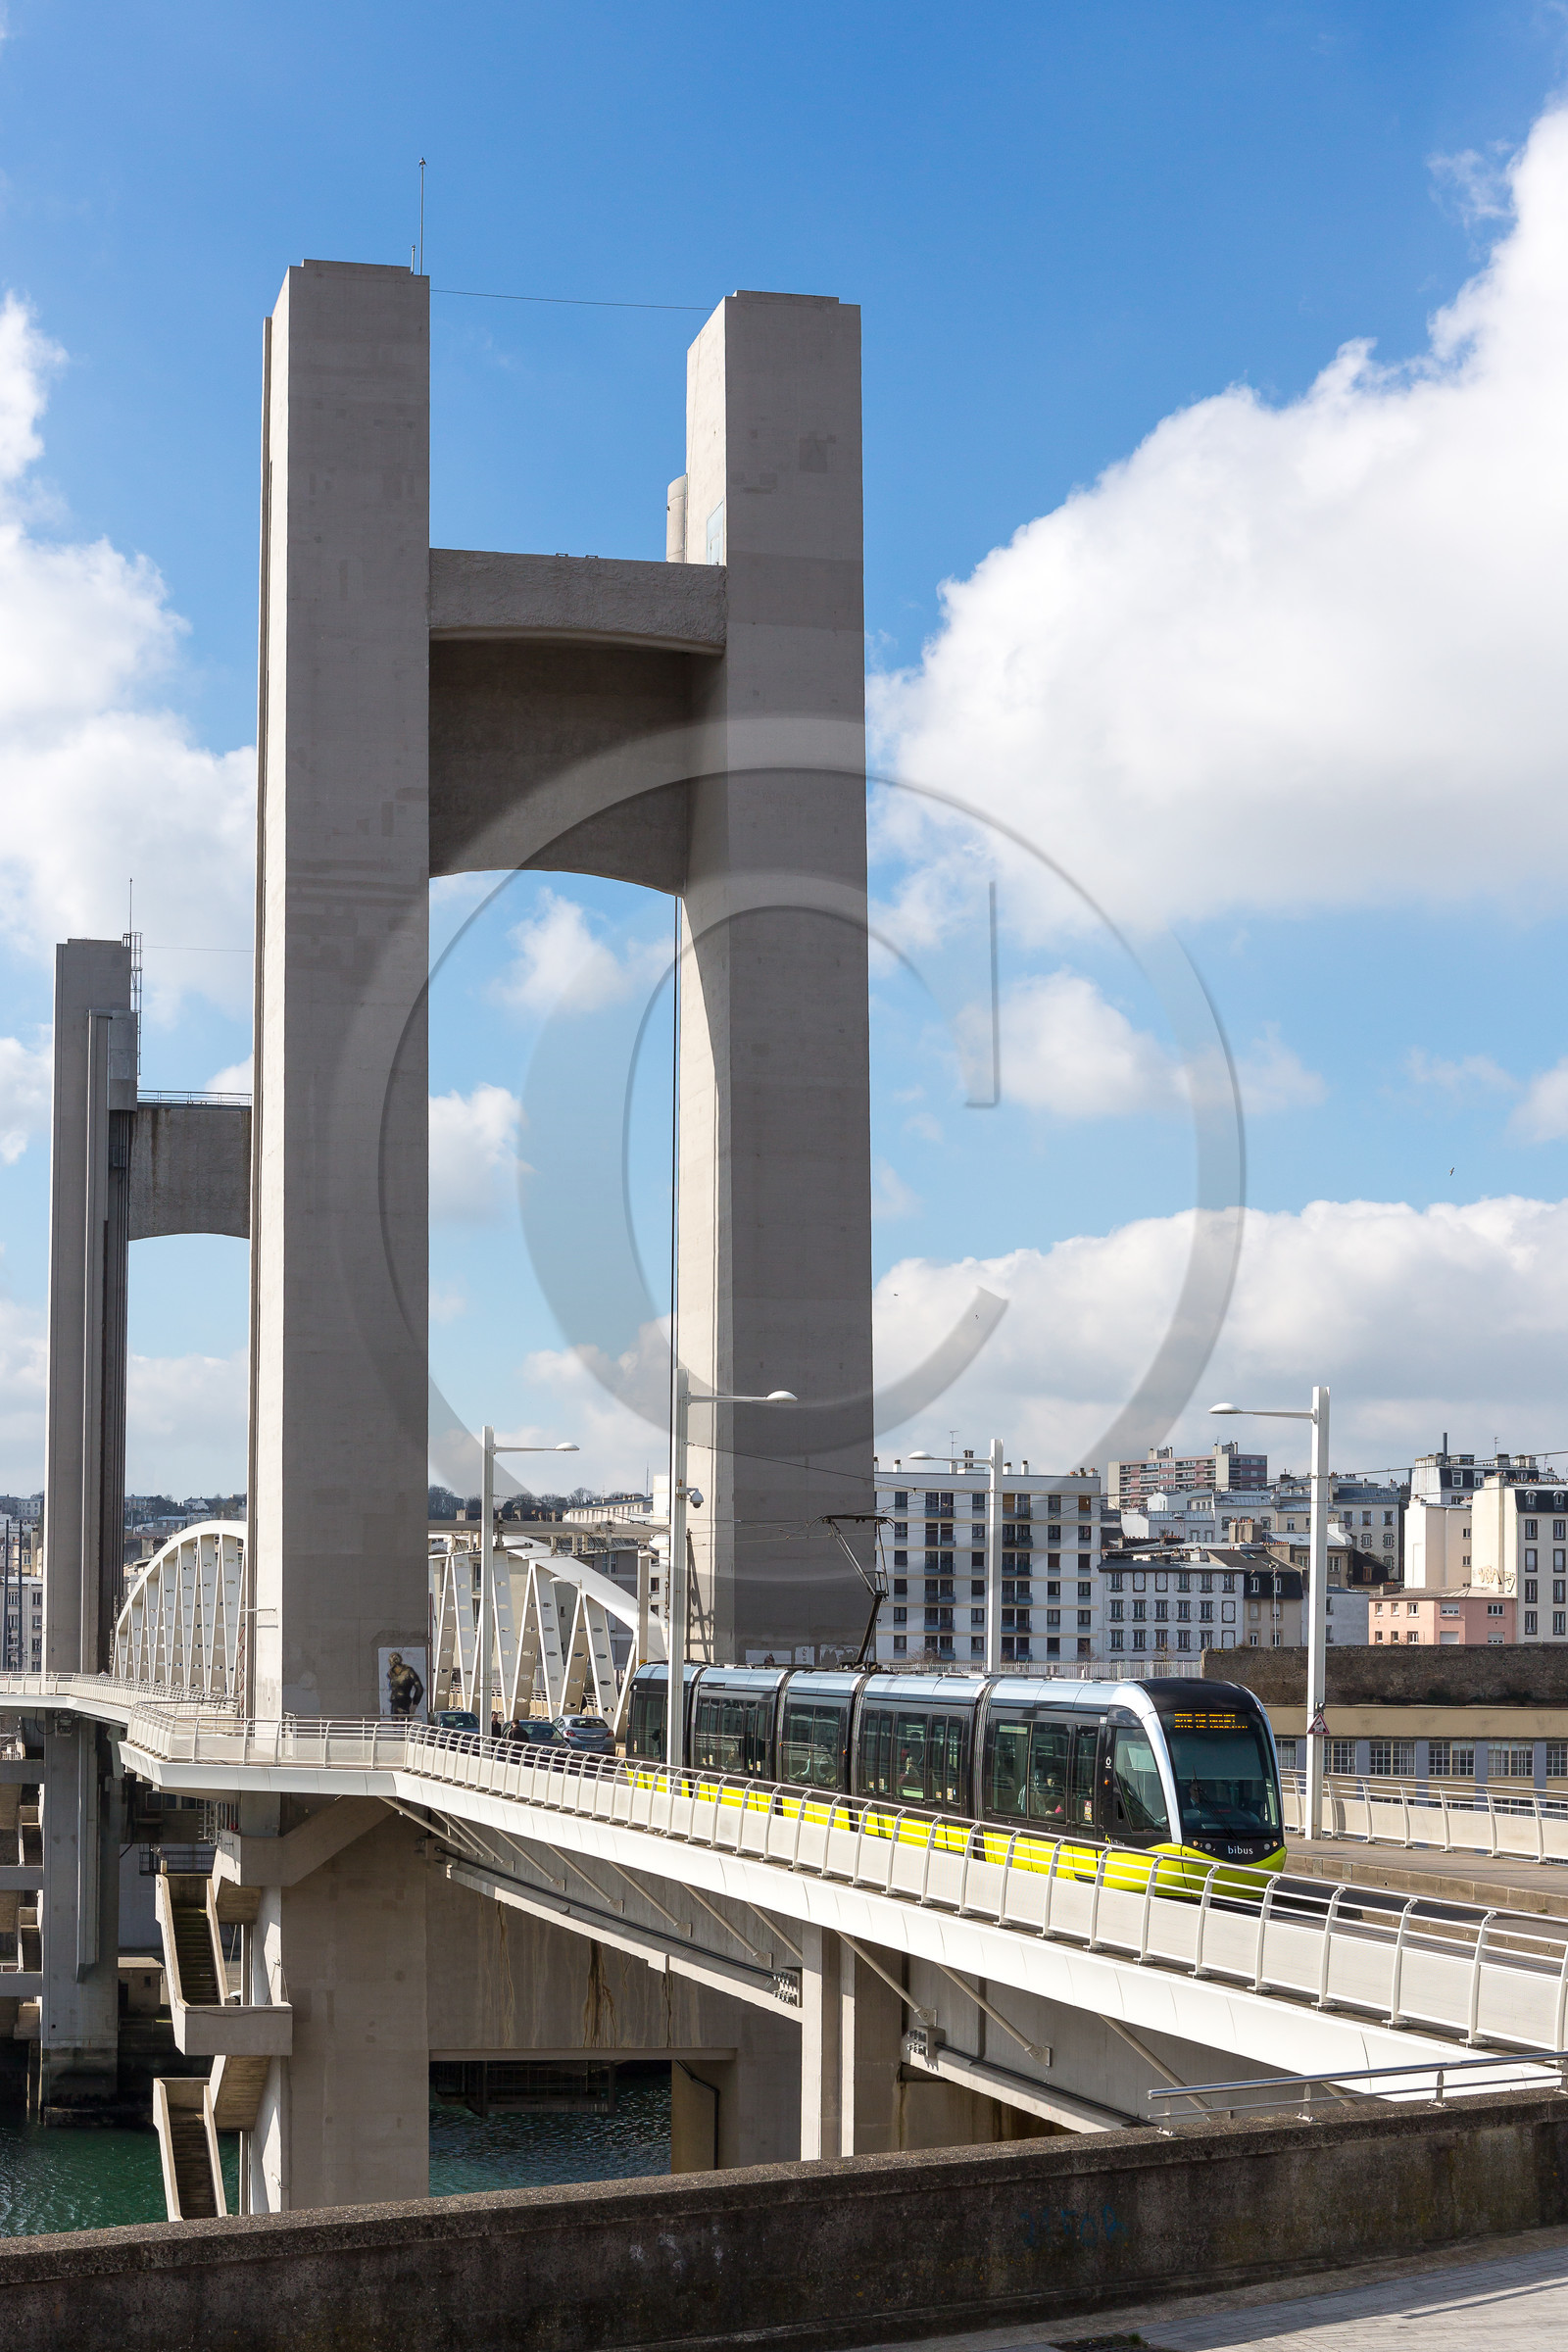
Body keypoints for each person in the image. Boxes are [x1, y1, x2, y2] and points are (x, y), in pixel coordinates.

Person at [384, 1650, 424, 1719]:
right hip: (394, 1704)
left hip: (404, 1704)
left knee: (403, 1726)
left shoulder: (408, 1671)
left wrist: (414, 1705)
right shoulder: (391, 1673)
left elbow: (419, 1688)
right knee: (396, 1727)